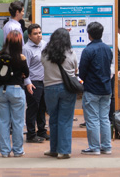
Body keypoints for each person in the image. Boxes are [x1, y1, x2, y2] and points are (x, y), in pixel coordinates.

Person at [41, 28, 78, 159]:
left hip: (50, 89)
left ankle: (54, 149)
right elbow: (75, 69)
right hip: (67, 89)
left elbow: (44, 67)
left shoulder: (45, 54)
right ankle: (64, 151)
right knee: (65, 120)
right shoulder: (71, 53)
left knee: (53, 118)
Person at [79, 22, 113, 155]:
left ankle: (94, 147)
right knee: (104, 118)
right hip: (106, 88)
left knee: (92, 119)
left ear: (89, 34)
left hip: (92, 88)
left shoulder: (88, 50)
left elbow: (82, 72)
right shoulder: (107, 49)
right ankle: (106, 146)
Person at [0, 30, 29, 158]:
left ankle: (4, 151)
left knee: (3, 122)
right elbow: (27, 74)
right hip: (16, 90)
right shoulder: (20, 58)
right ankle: (18, 150)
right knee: (18, 122)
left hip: (1, 90)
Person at [23, 24, 48, 143]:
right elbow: (25, 68)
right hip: (33, 82)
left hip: (44, 81)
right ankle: (31, 134)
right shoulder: (26, 49)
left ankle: (42, 131)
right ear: (30, 36)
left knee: (42, 107)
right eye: (35, 34)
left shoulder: (44, 44)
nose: (39, 35)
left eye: (40, 32)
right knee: (33, 108)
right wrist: (27, 83)